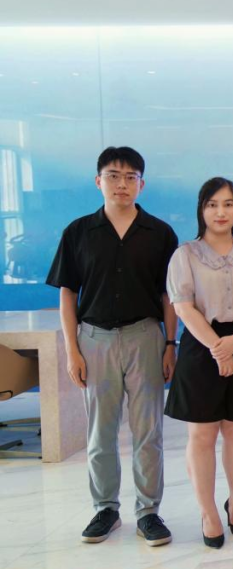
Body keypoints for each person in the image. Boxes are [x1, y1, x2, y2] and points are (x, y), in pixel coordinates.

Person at [46, 146, 179, 546]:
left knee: (148, 431)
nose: (122, 184)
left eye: (130, 177)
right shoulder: (78, 232)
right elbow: (68, 294)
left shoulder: (160, 234)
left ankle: (148, 512)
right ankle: (105, 509)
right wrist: (72, 350)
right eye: (113, 176)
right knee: (100, 432)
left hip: (145, 337)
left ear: (142, 184)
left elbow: (168, 296)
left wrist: (170, 344)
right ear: (98, 181)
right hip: (94, 339)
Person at [165, 177, 233, 548]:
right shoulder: (185, 255)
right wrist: (217, 348)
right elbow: (183, 306)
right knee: (203, 434)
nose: (220, 212)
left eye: (228, 204)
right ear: (201, 210)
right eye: (212, 204)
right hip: (200, 346)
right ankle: (209, 513)